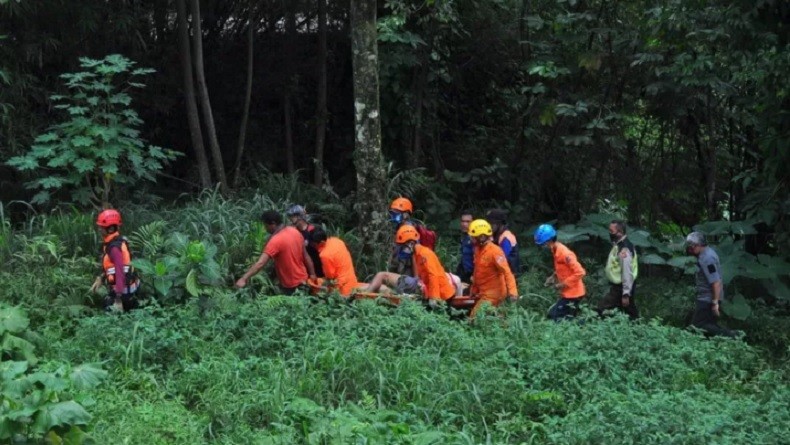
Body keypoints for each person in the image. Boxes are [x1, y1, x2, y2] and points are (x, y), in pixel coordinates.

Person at [367, 225, 459, 303]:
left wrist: (434, 298)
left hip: (437, 292)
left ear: (411, 243)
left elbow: (433, 275)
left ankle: (364, 298)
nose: (401, 249)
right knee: (383, 287)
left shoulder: (425, 254)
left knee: (382, 275)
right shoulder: (416, 254)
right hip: (425, 287)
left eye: (402, 246)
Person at [236, 210, 316, 295]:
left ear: (273, 224)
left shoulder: (275, 241)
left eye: (265, 225)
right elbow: (306, 256)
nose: (265, 228)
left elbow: (261, 263)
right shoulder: (295, 231)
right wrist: (312, 274)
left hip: (291, 286)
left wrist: (243, 278)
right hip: (304, 279)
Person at [685, 232, 737, 337]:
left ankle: (732, 335)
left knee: (698, 325)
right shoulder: (705, 253)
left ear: (699, 245)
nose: (690, 250)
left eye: (692, 247)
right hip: (706, 296)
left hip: (708, 298)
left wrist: (715, 303)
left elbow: (716, 282)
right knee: (708, 325)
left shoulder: (707, 258)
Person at [91, 209, 140, 312]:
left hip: (125, 293)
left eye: (101, 227)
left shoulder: (114, 249)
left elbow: (120, 271)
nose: (99, 229)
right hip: (126, 288)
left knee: (108, 306)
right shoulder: (115, 242)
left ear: (110, 229)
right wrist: (101, 277)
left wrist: (118, 300)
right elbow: (111, 267)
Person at [534, 224, 586, 321]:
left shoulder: (565, 253)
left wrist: (562, 284)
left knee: (556, 317)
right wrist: (553, 276)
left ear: (549, 241)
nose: (542, 247)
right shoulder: (554, 249)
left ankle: (585, 326)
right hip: (568, 293)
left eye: (542, 244)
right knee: (566, 317)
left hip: (574, 294)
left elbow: (580, 272)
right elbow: (563, 268)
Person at [468, 219, 518, 318]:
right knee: (492, 318)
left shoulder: (495, 252)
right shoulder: (478, 250)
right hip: (484, 291)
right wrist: (474, 289)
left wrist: (513, 292)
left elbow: (507, 272)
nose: (471, 239)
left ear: (481, 237)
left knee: (474, 319)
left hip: (494, 293)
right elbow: (478, 271)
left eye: (473, 237)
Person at [597, 220, 639, 319]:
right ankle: (637, 328)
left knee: (602, 308)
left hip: (621, 287)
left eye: (611, 231)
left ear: (620, 232)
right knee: (629, 311)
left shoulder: (624, 249)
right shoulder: (619, 245)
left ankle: (586, 324)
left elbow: (627, 272)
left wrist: (625, 294)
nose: (609, 233)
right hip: (621, 286)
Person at [309, 227, 364, 297]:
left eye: (314, 245)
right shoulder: (337, 241)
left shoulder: (325, 255)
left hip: (342, 289)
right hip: (352, 280)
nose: (313, 247)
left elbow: (330, 276)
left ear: (322, 242)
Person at [286, 204, 324, 277]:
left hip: (319, 264)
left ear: (299, 216)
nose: (290, 219)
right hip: (303, 268)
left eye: (292, 216)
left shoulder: (314, 230)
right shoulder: (293, 232)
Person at [486, 209, 520, 275]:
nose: (489, 226)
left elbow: (502, 259)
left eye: (492, 223)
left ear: (499, 223)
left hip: (509, 274)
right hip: (500, 272)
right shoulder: (495, 234)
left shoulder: (506, 237)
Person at [456, 210, 475, 284]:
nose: (464, 224)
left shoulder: (477, 238)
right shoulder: (464, 236)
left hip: (473, 274)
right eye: (463, 221)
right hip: (464, 272)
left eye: (468, 222)